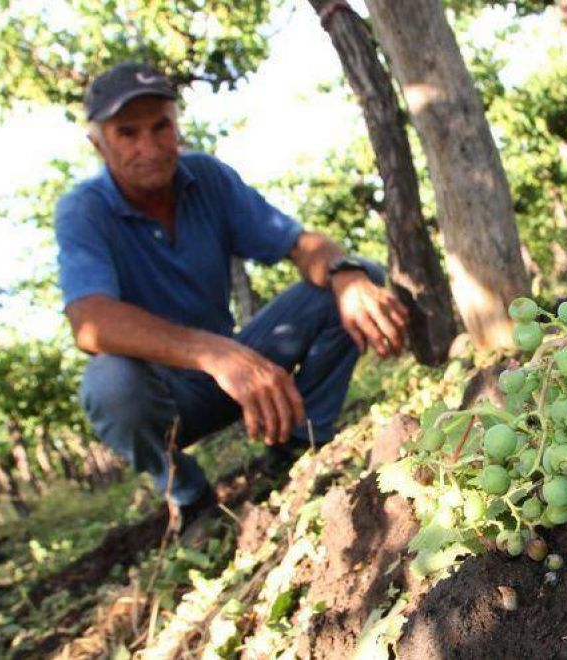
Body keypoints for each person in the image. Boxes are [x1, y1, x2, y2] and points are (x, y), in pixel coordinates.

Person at [54, 62, 409, 532]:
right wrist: (214, 352)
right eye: (127, 133)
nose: (151, 147)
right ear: (98, 144)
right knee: (109, 384)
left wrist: (345, 273)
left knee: (352, 279)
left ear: (177, 124)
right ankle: (191, 498)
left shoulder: (206, 178)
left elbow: (301, 244)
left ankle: (298, 449)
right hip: (171, 396)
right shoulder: (84, 210)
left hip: (240, 371)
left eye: (161, 126)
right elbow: (90, 320)